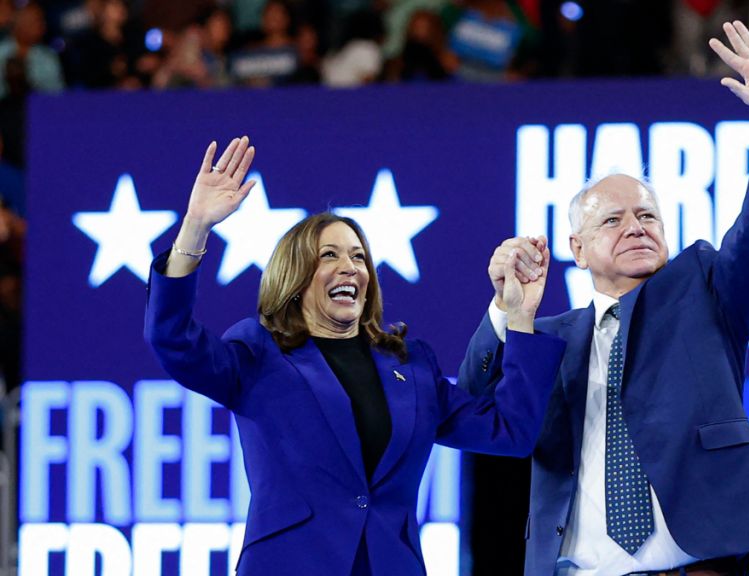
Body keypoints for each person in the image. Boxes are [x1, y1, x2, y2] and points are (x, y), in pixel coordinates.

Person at [461, 21, 749, 576]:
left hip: (700, 566)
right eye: (613, 220)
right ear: (577, 248)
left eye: (648, 215)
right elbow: (477, 404)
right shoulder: (545, 338)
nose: (637, 227)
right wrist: (508, 312)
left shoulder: (707, 290)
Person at [144, 136, 566, 575]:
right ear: (295, 276)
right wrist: (195, 226)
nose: (350, 267)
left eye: (359, 257)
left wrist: (519, 315)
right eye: (330, 255)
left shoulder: (412, 365)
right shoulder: (257, 353)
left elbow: (511, 432)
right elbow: (171, 339)